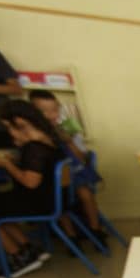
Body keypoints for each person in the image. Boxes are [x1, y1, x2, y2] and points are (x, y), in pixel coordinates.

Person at [0, 101, 63, 278]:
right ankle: (28, 249)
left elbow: (30, 182)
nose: (9, 131)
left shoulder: (35, 147)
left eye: (9, 126)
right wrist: (14, 160)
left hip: (39, 201)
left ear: (20, 123)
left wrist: (7, 164)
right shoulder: (47, 138)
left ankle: (18, 256)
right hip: (47, 197)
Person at [29, 89, 107, 241]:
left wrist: (69, 141)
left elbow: (82, 158)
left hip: (75, 173)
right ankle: (71, 236)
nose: (51, 115)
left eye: (54, 110)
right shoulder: (33, 133)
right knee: (56, 197)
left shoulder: (68, 128)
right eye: (44, 111)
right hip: (51, 180)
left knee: (85, 193)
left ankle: (95, 229)